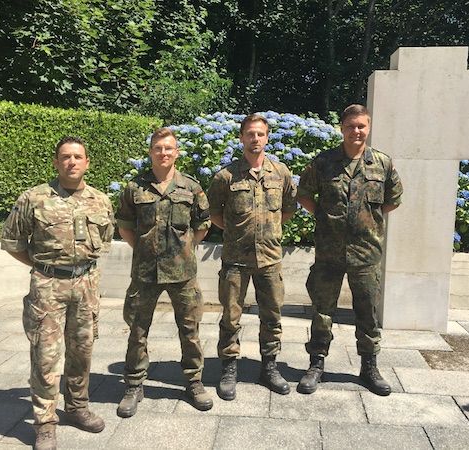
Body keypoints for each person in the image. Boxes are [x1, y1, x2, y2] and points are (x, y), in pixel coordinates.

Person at [1, 136, 114, 450]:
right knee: (46, 356)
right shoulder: (34, 199)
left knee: (82, 350)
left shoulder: (101, 200)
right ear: (56, 162)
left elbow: (104, 242)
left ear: (87, 162)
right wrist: (44, 268)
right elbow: (13, 242)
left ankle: (77, 407)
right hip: (48, 287)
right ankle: (46, 422)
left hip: (87, 285)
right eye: (65, 157)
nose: (72, 162)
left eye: (78, 156)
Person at [296, 104, 403, 396]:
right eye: (351, 126)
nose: (356, 131)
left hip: (366, 253)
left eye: (361, 127)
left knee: (367, 311)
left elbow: (393, 199)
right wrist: (323, 215)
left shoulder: (382, 163)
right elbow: (304, 193)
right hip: (329, 252)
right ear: (342, 128)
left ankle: (369, 367)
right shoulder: (324, 162)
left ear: (368, 128)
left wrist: (368, 221)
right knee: (322, 309)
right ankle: (316, 363)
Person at [116, 127, 212, 417]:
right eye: (158, 148)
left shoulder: (191, 187)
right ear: (151, 152)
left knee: (190, 329)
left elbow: (203, 224)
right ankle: (134, 385)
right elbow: (125, 227)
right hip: (145, 272)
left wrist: (183, 249)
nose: (163, 153)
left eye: (168, 148)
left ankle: (194, 382)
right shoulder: (135, 188)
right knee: (137, 330)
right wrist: (146, 250)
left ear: (176, 152)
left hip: (183, 272)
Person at [207, 114, 297, 400]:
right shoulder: (226, 176)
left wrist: (268, 230)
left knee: (272, 315)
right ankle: (229, 367)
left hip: (270, 258)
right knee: (231, 317)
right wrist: (237, 232)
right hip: (235, 259)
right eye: (249, 134)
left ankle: (269, 367)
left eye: (260, 134)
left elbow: (288, 209)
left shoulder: (280, 173)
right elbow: (214, 214)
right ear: (241, 138)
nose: (255, 139)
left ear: (267, 137)